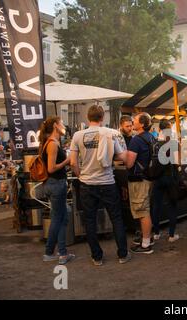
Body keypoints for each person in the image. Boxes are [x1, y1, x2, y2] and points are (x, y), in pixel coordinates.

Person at [71, 105, 130, 266]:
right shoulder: (111, 134)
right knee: (116, 218)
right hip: (107, 182)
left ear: (88, 118)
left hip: (87, 183)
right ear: (102, 117)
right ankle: (123, 255)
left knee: (90, 221)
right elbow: (123, 157)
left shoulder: (77, 135)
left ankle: (97, 257)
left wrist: (80, 175)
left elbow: (73, 162)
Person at [39, 117, 75, 265]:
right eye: (61, 124)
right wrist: (68, 160)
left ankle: (54, 252)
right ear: (55, 126)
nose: (63, 126)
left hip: (52, 184)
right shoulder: (52, 144)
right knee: (59, 219)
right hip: (56, 185)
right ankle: (59, 253)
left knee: (62, 216)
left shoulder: (49, 142)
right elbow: (51, 168)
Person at [126, 112, 156, 254]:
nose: (133, 122)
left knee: (143, 211)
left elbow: (129, 163)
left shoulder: (136, 140)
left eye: (135, 120)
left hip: (139, 180)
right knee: (146, 208)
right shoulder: (152, 137)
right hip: (149, 178)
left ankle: (146, 244)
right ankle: (147, 238)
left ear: (142, 124)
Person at [150, 119, 180, 242]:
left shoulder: (155, 144)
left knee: (156, 205)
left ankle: (156, 233)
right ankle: (172, 235)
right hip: (170, 177)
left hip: (157, 178)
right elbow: (178, 162)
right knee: (172, 205)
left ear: (159, 130)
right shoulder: (173, 143)